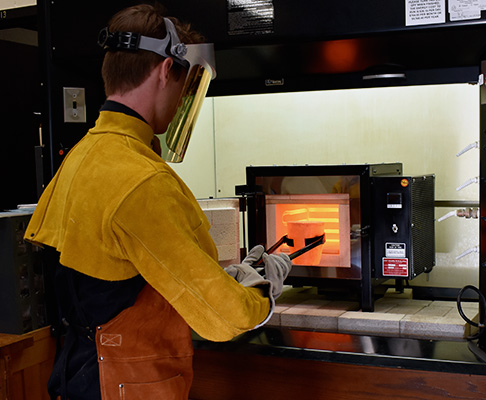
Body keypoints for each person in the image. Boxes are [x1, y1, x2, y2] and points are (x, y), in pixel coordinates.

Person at [24, 4, 291, 400]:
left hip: (78, 378)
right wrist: (262, 288)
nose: (182, 100)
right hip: (124, 387)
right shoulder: (142, 180)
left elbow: (125, 279)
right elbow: (224, 319)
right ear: (167, 71)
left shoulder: (81, 158)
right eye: (186, 86)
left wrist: (229, 276)